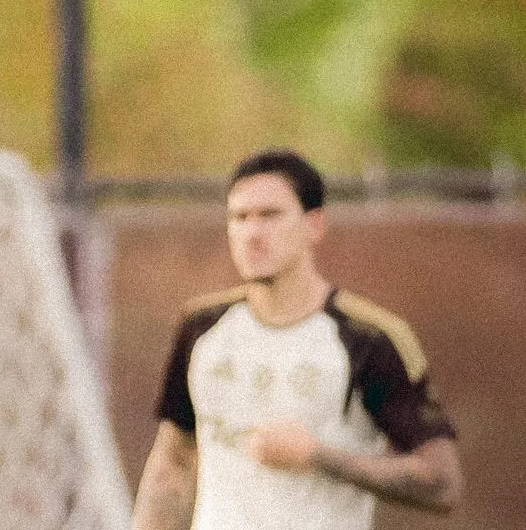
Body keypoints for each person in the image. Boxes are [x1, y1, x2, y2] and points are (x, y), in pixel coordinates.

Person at [132, 149, 464, 530]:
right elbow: (173, 462)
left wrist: (317, 457)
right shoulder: (201, 328)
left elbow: (442, 483)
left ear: (314, 226)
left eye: (270, 216)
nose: (252, 233)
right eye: (239, 217)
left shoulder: (368, 339)